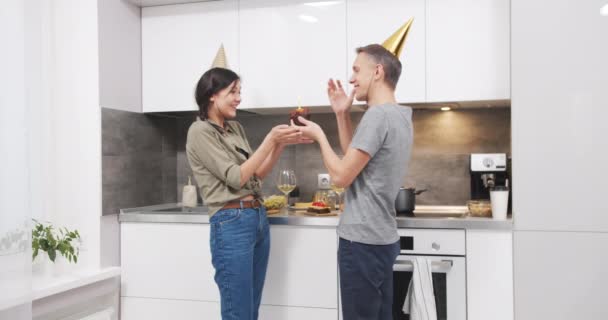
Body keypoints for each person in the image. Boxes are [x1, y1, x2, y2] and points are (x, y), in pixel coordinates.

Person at [295, 44, 414, 319]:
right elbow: (355, 163)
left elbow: (341, 176)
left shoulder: (377, 116)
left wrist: (319, 135)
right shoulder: (400, 116)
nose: (350, 79)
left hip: (361, 241)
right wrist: (341, 114)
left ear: (377, 72)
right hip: (383, 239)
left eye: (356, 70)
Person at [186, 67, 311, 320]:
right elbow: (235, 177)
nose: (239, 98)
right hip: (230, 222)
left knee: (251, 309)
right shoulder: (199, 131)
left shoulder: (235, 129)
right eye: (233, 91)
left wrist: (279, 145)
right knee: (238, 311)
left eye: (240, 91)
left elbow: (255, 176)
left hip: (256, 218)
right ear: (212, 95)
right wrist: (269, 139)